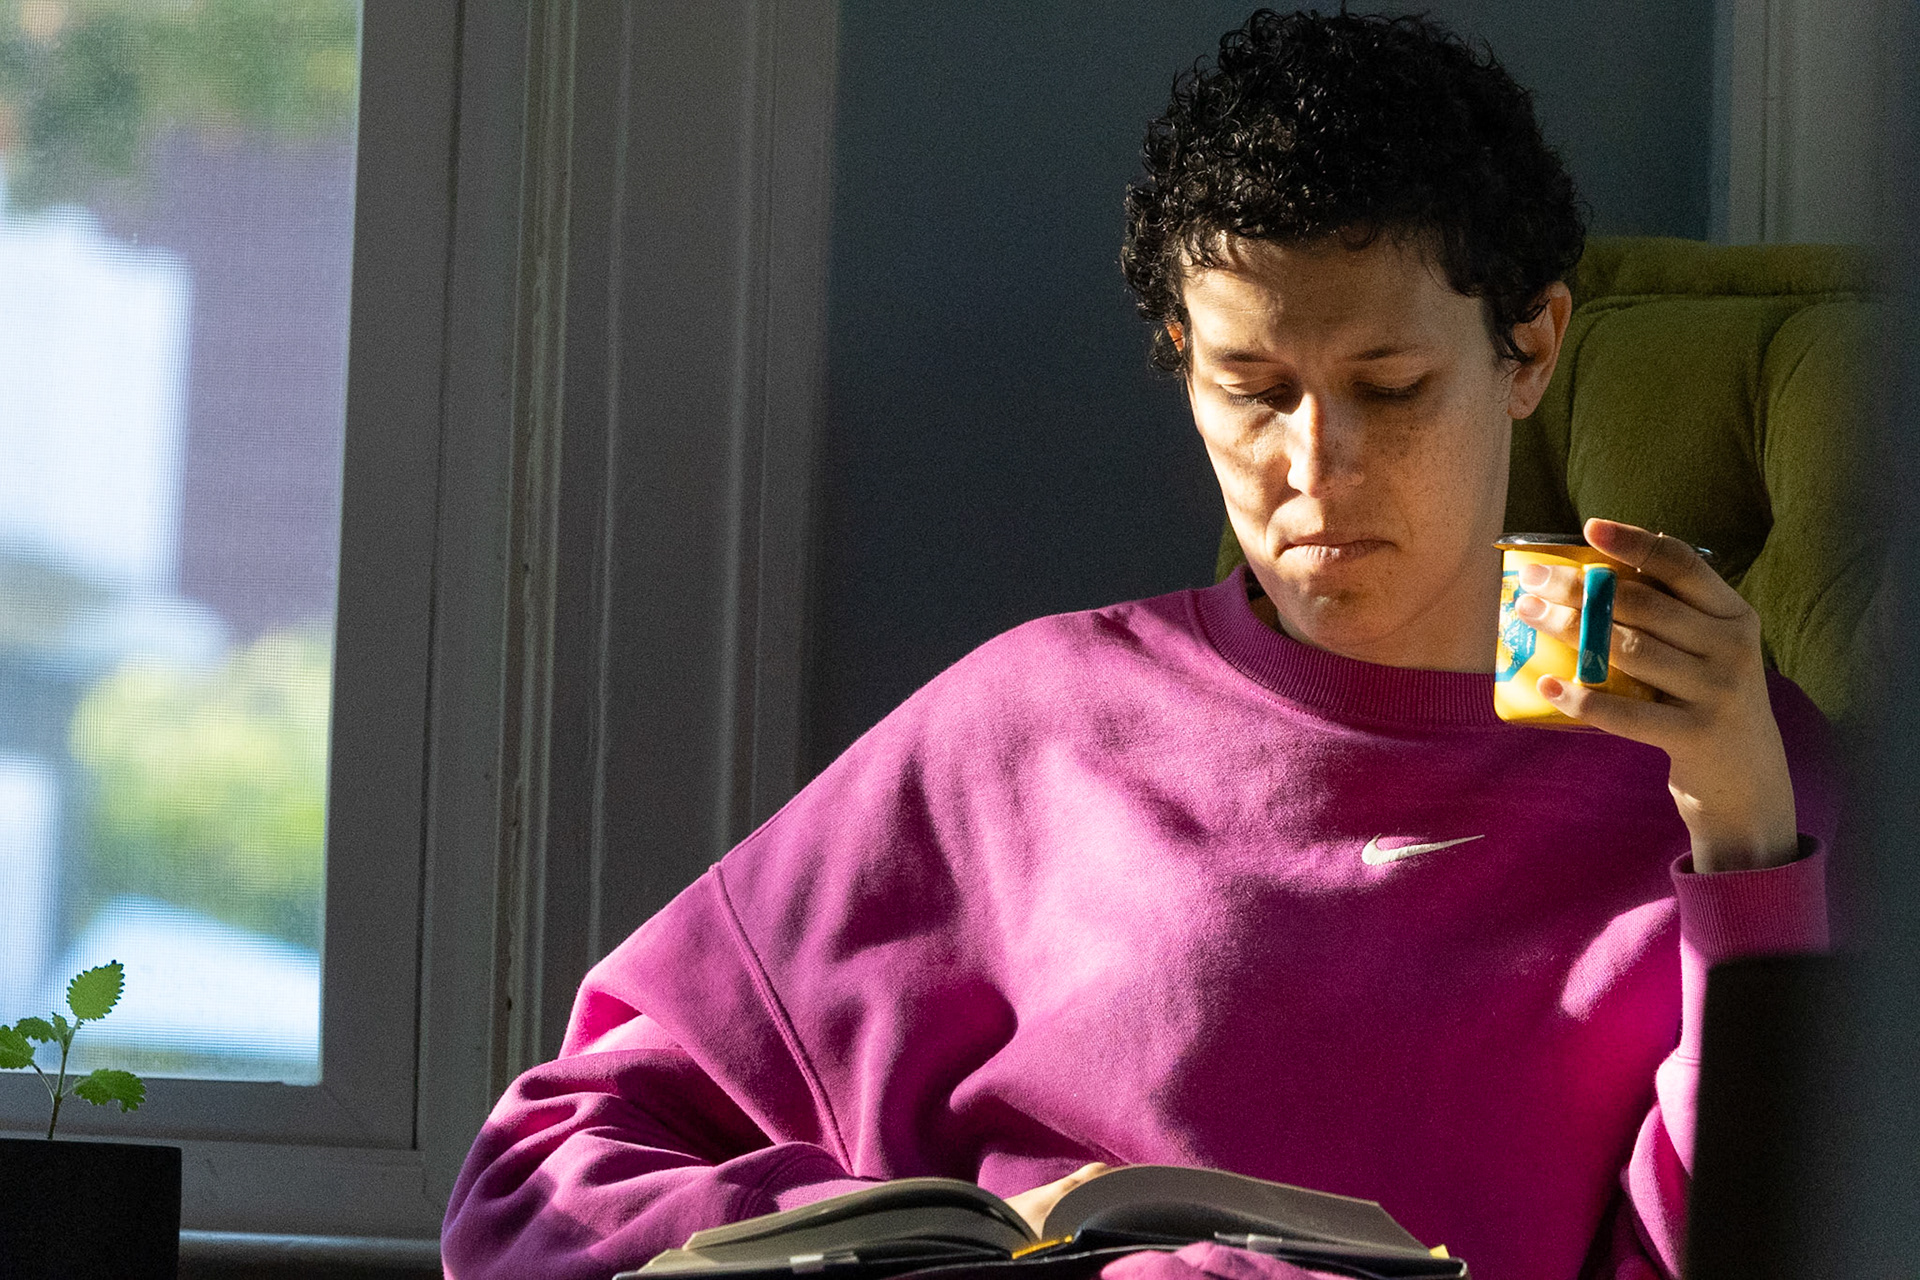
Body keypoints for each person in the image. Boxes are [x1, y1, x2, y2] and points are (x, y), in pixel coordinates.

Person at [440, 12, 1835, 1280]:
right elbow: (537, 1181)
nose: (1316, 467)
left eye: (1388, 388)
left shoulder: (1734, 765)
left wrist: (1742, 835)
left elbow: (1759, 1236)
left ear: (1529, 348)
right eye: (1251, 388)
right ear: (1182, 354)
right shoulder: (1033, 722)